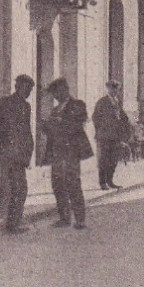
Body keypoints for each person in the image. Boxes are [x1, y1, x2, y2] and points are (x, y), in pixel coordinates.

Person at [0, 75, 35, 234]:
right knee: (19, 187)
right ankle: (12, 224)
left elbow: (26, 131)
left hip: (20, 154)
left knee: (13, 187)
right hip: (8, 153)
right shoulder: (4, 103)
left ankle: (8, 221)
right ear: (19, 86)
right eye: (27, 88)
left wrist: (28, 150)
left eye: (31, 90)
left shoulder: (26, 106)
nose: (29, 92)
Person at [42, 77, 93, 229]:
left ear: (65, 90)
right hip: (57, 152)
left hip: (71, 151)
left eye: (56, 92)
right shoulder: (55, 110)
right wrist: (46, 127)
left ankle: (80, 219)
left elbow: (78, 124)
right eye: (53, 94)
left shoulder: (78, 105)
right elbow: (52, 132)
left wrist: (59, 123)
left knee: (73, 184)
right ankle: (64, 218)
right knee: (58, 184)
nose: (55, 96)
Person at [92, 80, 131, 190]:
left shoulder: (117, 102)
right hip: (104, 136)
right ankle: (102, 183)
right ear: (108, 89)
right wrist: (101, 129)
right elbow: (95, 117)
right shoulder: (102, 102)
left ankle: (110, 181)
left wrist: (125, 124)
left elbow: (123, 116)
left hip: (115, 136)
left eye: (116, 90)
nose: (115, 92)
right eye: (112, 89)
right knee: (103, 159)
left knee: (113, 159)